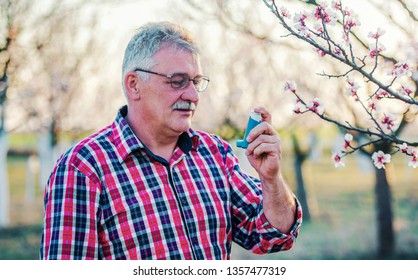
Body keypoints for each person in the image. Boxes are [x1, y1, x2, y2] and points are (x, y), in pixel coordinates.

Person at [40, 21, 302, 260]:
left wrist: (271, 180)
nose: (193, 95)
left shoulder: (215, 153)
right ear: (134, 85)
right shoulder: (82, 169)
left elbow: (271, 236)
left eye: (196, 82)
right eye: (177, 81)